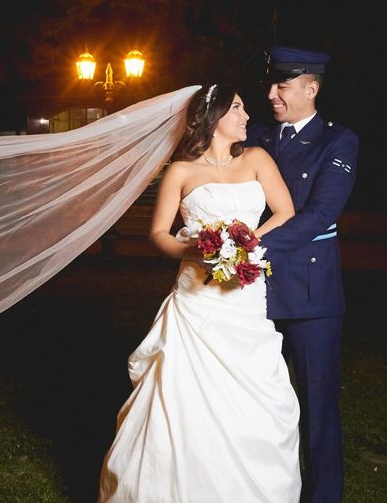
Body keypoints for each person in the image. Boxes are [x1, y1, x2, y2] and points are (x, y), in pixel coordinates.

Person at [98, 84, 302, 502]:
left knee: (256, 395)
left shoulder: (257, 159)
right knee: (181, 397)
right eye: (238, 109)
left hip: (244, 299)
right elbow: (158, 233)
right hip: (196, 300)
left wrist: (247, 243)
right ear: (213, 118)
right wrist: (190, 250)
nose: (248, 116)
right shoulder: (180, 171)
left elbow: (285, 212)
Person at [246, 46, 359, 503]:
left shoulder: (339, 140)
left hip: (311, 297)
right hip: (254, 294)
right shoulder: (255, 135)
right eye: (271, 84)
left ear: (311, 88)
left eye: (283, 86)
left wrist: (248, 248)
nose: (271, 94)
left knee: (316, 409)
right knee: (258, 403)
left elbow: (322, 213)